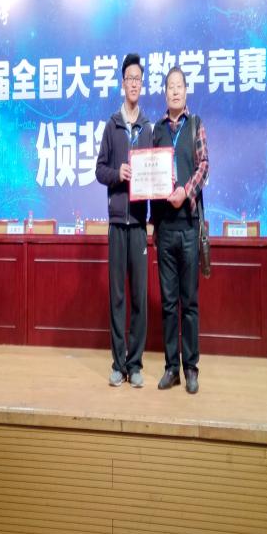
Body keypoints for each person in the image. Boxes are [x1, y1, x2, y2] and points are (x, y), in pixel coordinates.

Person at [96, 53, 153, 388]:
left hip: (140, 224)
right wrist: (117, 173)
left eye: (138, 79)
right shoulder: (112, 125)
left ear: (142, 85)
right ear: (122, 83)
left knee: (138, 298)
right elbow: (99, 170)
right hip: (118, 223)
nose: (133, 84)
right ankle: (118, 363)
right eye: (129, 78)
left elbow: (156, 173)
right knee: (117, 297)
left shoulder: (148, 128)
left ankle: (136, 364)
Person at [151, 67, 209, 394]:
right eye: (170, 86)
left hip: (188, 226)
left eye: (179, 86)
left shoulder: (196, 125)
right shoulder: (156, 130)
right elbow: (148, 172)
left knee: (190, 302)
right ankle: (171, 368)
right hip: (164, 228)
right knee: (169, 304)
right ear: (165, 93)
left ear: (186, 91)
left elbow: (204, 165)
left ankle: (191, 369)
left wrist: (185, 191)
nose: (174, 91)